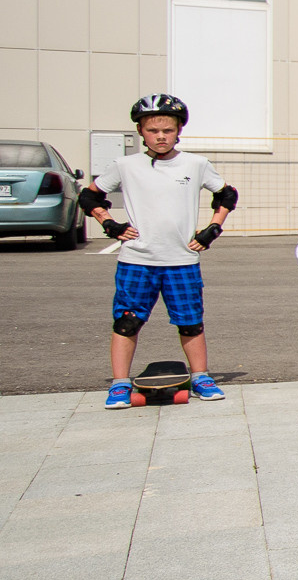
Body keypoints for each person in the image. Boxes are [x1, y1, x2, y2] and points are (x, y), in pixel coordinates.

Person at [85, 94, 237, 406]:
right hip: (136, 260)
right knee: (126, 322)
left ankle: (201, 377)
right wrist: (109, 223)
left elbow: (227, 195)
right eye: (153, 130)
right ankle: (119, 384)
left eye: (167, 130)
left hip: (181, 260)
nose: (161, 136)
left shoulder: (195, 164)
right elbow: (89, 197)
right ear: (141, 131)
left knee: (190, 322)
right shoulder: (125, 165)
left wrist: (213, 228)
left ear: (178, 130)